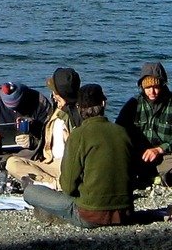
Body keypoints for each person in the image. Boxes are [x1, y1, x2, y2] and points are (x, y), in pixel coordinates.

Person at [23, 84, 133, 228]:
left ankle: (57, 215)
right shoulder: (122, 132)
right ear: (104, 103)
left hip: (91, 215)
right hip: (124, 213)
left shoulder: (79, 135)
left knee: (31, 192)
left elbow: (67, 186)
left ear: (79, 108)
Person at [115, 61, 172, 189]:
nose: (152, 92)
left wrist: (159, 149)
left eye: (156, 87)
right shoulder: (133, 104)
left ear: (162, 85)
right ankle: (151, 178)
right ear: (142, 87)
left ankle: (152, 178)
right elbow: (118, 130)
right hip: (137, 156)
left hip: (163, 157)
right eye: (147, 87)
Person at [6, 67, 81, 189]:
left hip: (68, 167)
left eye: (54, 92)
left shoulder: (78, 114)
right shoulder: (55, 110)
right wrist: (31, 138)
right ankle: (51, 183)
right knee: (12, 163)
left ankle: (52, 184)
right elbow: (46, 142)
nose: (52, 95)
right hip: (48, 163)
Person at [0, 81, 51, 177]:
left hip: (29, 149)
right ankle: (1, 162)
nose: (15, 110)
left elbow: (51, 133)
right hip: (0, 148)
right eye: (10, 107)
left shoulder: (39, 101)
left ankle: (7, 163)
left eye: (17, 106)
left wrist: (33, 141)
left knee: (38, 152)